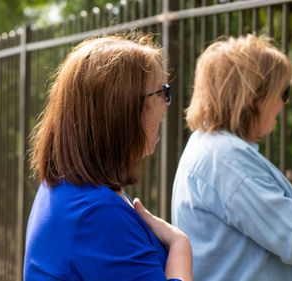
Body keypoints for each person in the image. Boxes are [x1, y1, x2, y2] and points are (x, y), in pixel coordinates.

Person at [171, 34, 292, 280]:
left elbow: (273, 234)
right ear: (253, 97)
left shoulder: (213, 148)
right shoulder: (227, 159)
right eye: (283, 92)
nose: (283, 103)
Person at [24, 35, 192, 281]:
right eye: (161, 92)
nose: (166, 104)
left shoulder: (70, 188)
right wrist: (180, 245)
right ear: (122, 111)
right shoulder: (97, 214)